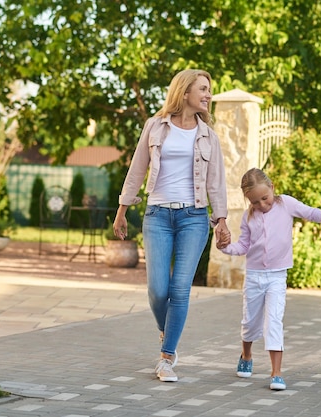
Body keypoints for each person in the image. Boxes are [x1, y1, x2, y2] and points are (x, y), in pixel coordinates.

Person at [112, 69, 230, 383]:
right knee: (157, 290)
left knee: (179, 289)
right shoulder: (155, 126)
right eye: (203, 89)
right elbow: (137, 169)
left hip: (193, 217)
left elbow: (216, 182)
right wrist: (122, 210)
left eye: (209, 90)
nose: (208, 95)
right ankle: (168, 329)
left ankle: (167, 357)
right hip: (157, 216)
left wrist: (221, 220)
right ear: (185, 91)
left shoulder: (208, 135)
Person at [217, 168, 321, 390]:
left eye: (265, 198)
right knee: (250, 321)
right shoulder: (248, 216)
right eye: (255, 202)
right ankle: (246, 355)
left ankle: (276, 373)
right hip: (253, 277)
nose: (262, 205)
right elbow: (243, 245)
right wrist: (225, 248)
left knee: (273, 321)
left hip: (276, 277)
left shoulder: (286, 204)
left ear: (272, 188)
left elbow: (311, 213)